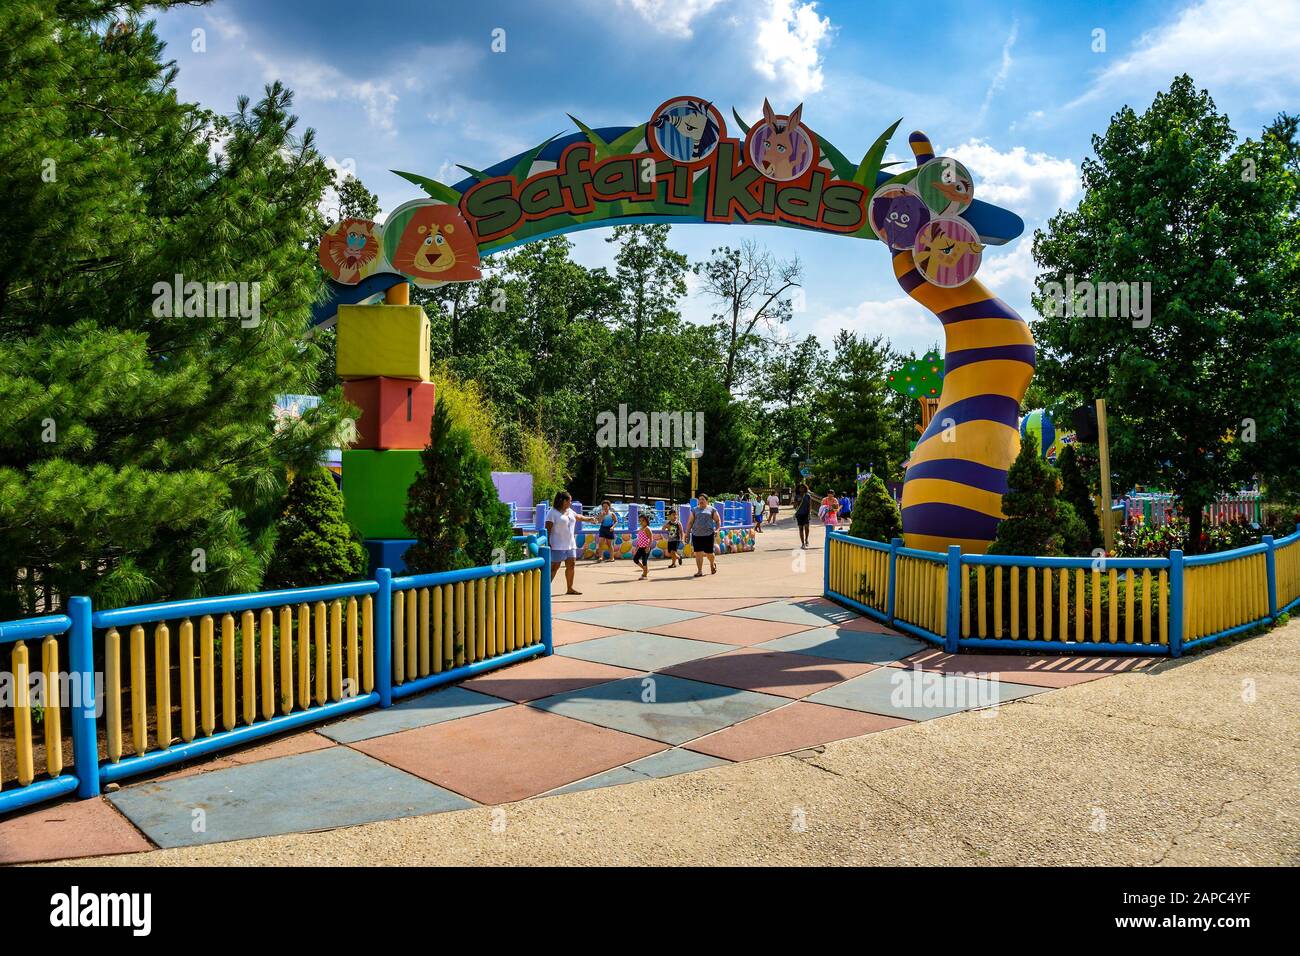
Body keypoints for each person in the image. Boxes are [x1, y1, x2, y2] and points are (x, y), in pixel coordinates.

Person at [545, 491, 602, 594]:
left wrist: (590, 519)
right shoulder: (552, 512)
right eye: (569, 500)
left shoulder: (569, 510)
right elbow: (547, 528)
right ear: (563, 500)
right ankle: (544, 590)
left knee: (571, 565)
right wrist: (548, 542)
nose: (570, 502)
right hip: (557, 545)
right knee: (554, 568)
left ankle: (570, 588)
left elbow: (578, 517)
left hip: (571, 545)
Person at [685, 492, 721, 577]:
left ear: (707, 501)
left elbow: (718, 520)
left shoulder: (712, 509)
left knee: (709, 553)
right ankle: (699, 571)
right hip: (696, 535)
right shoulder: (694, 510)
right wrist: (687, 533)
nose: (701, 501)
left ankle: (712, 563)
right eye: (699, 499)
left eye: (703, 499)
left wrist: (717, 530)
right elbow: (690, 522)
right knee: (698, 553)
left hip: (708, 535)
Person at [632, 513, 653, 580]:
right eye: (640, 521)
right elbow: (640, 539)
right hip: (640, 547)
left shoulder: (647, 529)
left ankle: (644, 575)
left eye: (643, 520)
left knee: (644, 561)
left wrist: (648, 547)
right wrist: (636, 547)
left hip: (646, 547)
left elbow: (651, 538)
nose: (641, 522)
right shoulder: (641, 528)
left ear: (646, 521)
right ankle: (645, 570)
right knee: (635, 559)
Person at [793, 483, 814, 548]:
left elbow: (810, 505)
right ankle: (802, 543)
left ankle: (806, 539)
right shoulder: (797, 496)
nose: (801, 489)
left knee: (807, 527)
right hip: (799, 514)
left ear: (805, 488)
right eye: (800, 488)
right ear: (798, 489)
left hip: (806, 514)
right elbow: (794, 507)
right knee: (800, 528)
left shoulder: (808, 496)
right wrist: (797, 502)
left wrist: (809, 513)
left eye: (803, 487)